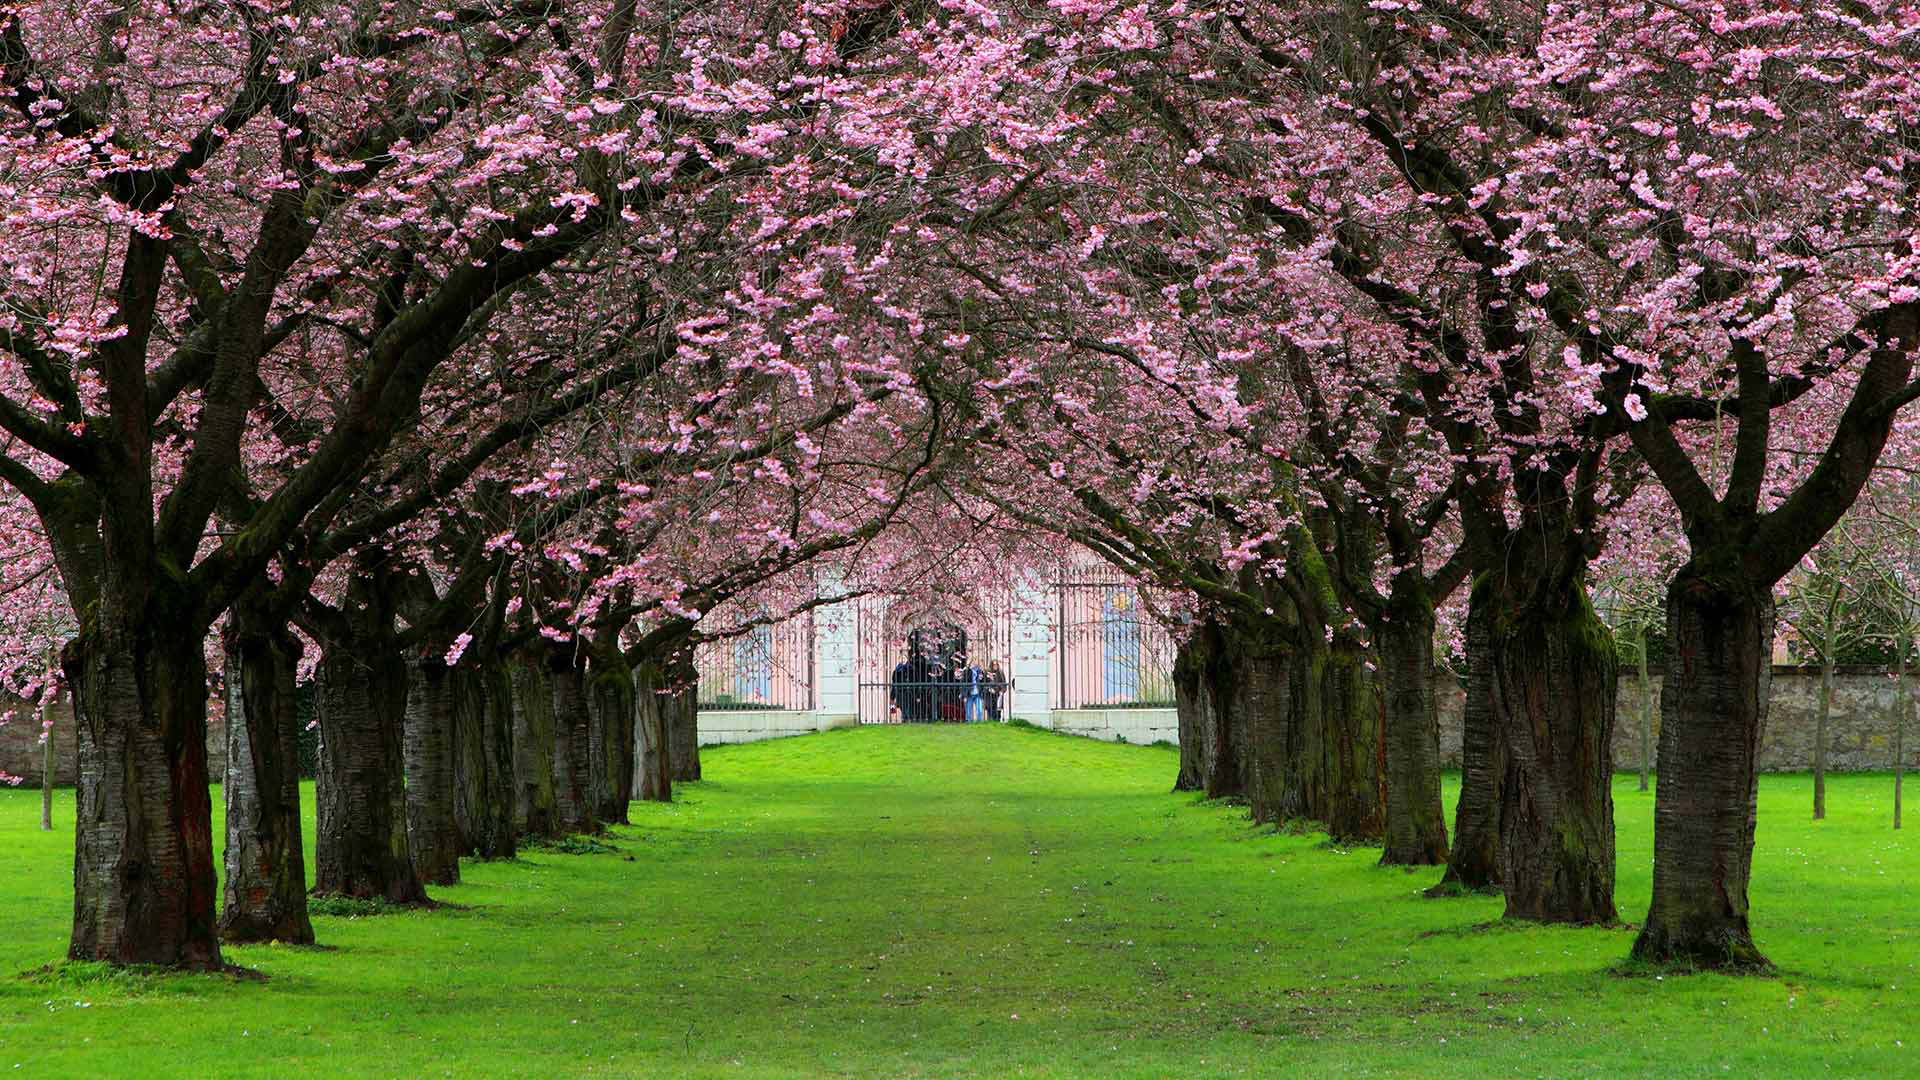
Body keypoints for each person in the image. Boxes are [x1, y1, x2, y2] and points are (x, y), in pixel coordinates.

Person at [889, 649, 917, 723]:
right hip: (899, 692)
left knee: (908, 707)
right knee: (902, 707)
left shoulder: (911, 669)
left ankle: (907, 720)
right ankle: (905, 719)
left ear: (907, 659)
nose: (902, 659)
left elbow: (915, 680)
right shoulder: (896, 670)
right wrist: (892, 695)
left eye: (904, 658)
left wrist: (917, 694)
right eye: (901, 658)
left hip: (909, 691)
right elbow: (894, 682)